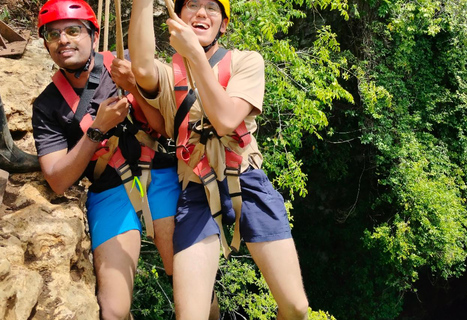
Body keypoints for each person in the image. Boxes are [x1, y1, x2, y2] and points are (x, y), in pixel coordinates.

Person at [128, 0, 310, 319]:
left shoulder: (246, 62)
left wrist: (195, 55)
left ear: (223, 25)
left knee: (295, 307)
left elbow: (226, 119)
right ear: (177, 19)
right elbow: (142, 68)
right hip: (197, 188)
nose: (201, 12)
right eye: (192, 5)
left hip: (246, 179)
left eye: (212, 8)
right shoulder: (170, 74)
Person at [32, 0, 181, 319]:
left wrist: (134, 88)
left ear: (94, 37)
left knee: (186, 280)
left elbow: (161, 127)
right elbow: (57, 180)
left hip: (157, 173)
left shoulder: (122, 66)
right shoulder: (47, 105)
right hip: (109, 188)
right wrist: (97, 129)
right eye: (52, 34)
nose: (63, 40)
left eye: (73, 30)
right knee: (114, 310)